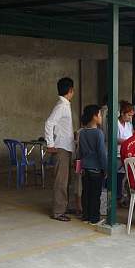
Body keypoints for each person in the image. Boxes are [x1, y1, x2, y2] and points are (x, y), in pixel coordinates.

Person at [45, 77, 75, 222]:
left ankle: (63, 206)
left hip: (66, 146)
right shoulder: (62, 106)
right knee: (61, 181)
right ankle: (58, 211)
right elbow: (49, 123)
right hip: (61, 147)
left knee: (66, 180)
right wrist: (50, 144)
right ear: (70, 90)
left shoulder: (65, 105)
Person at [79, 105, 107, 224]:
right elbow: (101, 153)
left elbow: (80, 151)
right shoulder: (99, 133)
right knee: (95, 195)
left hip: (85, 167)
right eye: (100, 114)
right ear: (94, 117)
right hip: (96, 168)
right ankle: (94, 218)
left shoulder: (82, 132)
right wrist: (106, 168)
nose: (101, 117)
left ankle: (86, 216)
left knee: (86, 193)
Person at [117, 101, 134, 206]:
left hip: (126, 154)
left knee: (123, 176)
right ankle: (116, 197)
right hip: (116, 153)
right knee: (114, 176)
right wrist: (127, 141)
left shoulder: (128, 125)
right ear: (122, 113)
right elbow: (114, 138)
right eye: (128, 115)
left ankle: (122, 197)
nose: (129, 118)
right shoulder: (116, 123)